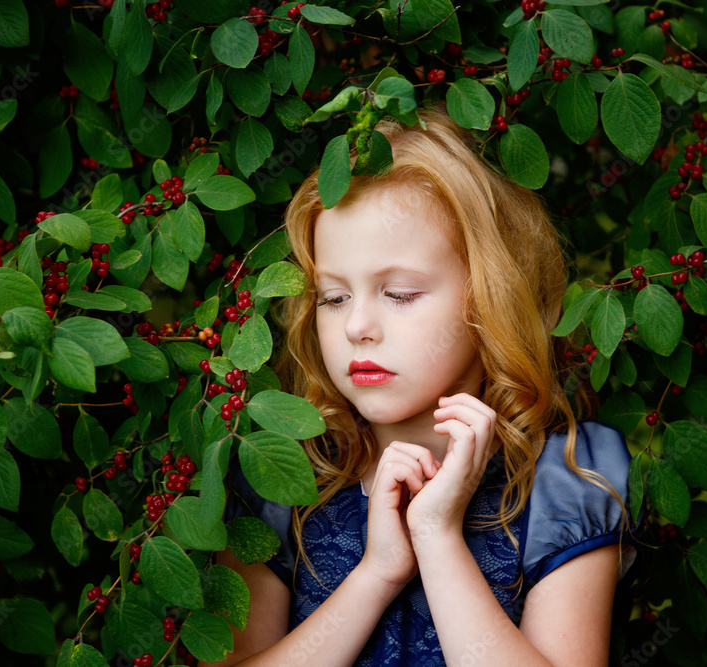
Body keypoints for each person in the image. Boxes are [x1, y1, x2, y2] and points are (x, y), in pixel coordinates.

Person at [209, 103, 642, 666]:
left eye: (401, 294)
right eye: (334, 298)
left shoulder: (567, 479)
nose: (358, 326)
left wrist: (438, 539)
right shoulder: (282, 478)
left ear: (488, 298)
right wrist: (377, 574)